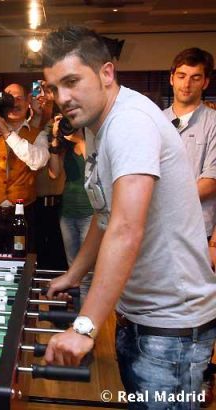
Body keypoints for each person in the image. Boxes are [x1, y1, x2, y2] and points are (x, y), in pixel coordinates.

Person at [42, 26, 216, 406]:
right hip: (140, 316)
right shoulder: (96, 125)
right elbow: (104, 214)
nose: (62, 98)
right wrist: (74, 274)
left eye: (71, 81)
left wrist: (84, 327)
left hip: (171, 327)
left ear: (106, 73)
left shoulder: (129, 122)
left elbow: (125, 228)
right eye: (54, 88)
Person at [163, 47, 216, 406]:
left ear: (205, 82)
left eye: (195, 77)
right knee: (168, 306)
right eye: (181, 75)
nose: (187, 84)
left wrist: (161, 198)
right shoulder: (155, 120)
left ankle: (200, 376)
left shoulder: (213, 123)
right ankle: (167, 371)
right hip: (161, 233)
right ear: (172, 78)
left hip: (199, 233)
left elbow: (210, 181)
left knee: (200, 308)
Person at [0, 83, 50, 254]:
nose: (14, 103)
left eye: (19, 98)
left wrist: (7, 133)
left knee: (21, 260)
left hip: (22, 212)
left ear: (28, 102)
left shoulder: (37, 134)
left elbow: (38, 162)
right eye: (9, 98)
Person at [46, 117, 93, 295]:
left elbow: (94, 168)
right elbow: (54, 173)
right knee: (73, 269)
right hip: (68, 212)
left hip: (90, 212)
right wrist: (55, 139)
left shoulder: (91, 140)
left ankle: (85, 311)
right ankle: (77, 308)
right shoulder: (64, 146)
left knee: (87, 271)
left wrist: (80, 140)